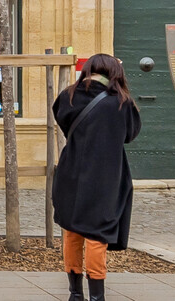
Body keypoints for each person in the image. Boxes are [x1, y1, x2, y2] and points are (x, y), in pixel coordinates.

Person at [51, 53, 142, 301]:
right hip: (104, 177)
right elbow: (130, 133)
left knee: (72, 232)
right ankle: (97, 297)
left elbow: (61, 118)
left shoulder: (68, 96)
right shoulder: (121, 102)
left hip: (71, 173)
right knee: (96, 235)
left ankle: (75, 293)